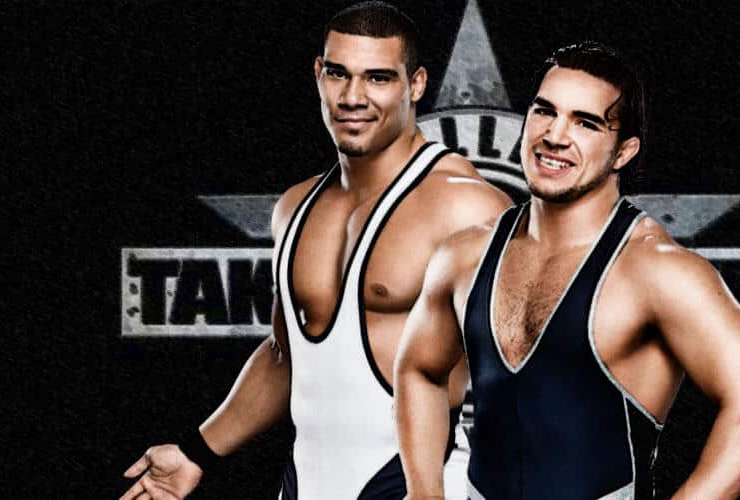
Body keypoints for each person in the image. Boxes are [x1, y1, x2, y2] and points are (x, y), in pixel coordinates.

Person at [120, 3, 511, 499]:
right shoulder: (295, 207)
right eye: (338, 74)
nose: (352, 97)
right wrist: (197, 452)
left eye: (378, 78)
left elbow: (539, 370)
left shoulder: (465, 206)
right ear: (318, 74)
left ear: (415, 85)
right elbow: (286, 358)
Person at [394, 41, 740, 500]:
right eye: (545, 111)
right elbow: (420, 370)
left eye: (585, 123)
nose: (555, 135)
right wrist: (424, 492)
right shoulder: (465, 255)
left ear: (623, 152)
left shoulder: (656, 271)